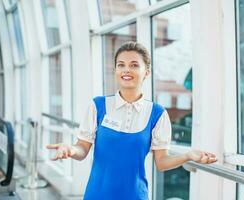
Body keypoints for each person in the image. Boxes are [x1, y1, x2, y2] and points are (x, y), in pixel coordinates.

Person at [46, 41, 217, 200]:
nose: (126, 70)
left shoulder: (157, 114)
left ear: (146, 72)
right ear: (116, 70)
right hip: (97, 194)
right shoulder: (98, 106)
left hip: (135, 195)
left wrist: (188, 156)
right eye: (121, 65)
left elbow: (162, 162)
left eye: (134, 65)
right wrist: (71, 149)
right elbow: (82, 149)